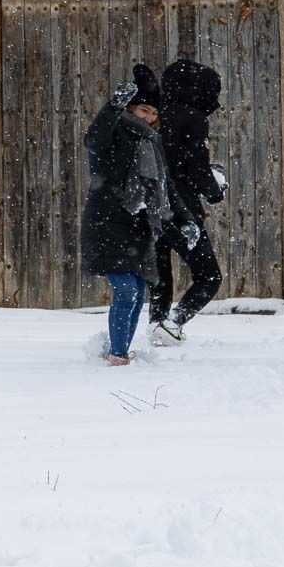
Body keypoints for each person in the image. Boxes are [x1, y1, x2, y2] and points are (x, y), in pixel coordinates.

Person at [80, 65, 199, 366]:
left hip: (138, 225)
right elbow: (93, 139)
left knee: (137, 290)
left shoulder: (150, 143)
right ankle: (117, 356)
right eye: (144, 110)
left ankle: (120, 350)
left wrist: (186, 220)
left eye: (154, 114)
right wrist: (113, 105)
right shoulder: (113, 132)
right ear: (131, 107)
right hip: (108, 222)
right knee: (125, 289)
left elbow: (166, 186)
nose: (149, 118)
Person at [148, 59, 227, 345]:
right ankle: (172, 324)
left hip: (153, 209)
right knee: (209, 277)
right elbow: (195, 167)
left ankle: (156, 327)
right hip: (182, 211)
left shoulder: (157, 116)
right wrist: (215, 189)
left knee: (161, 276)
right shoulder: (192, 118)